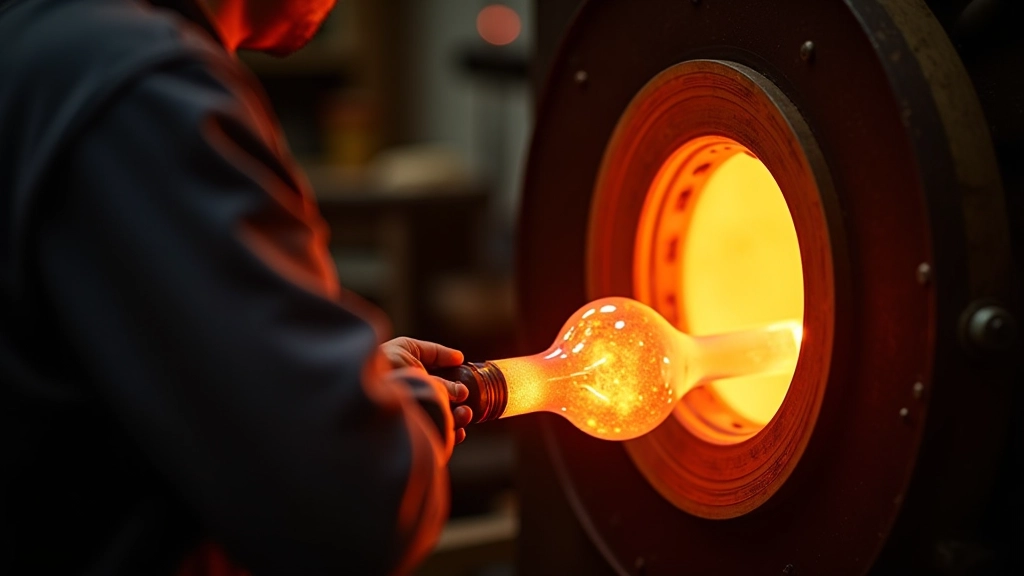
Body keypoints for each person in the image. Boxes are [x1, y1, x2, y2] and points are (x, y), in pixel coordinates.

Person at [0, 0, 474, 574]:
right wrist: (400, 417)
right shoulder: (141, 86)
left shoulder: (43, 39)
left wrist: (342, 391)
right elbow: (353, 507)